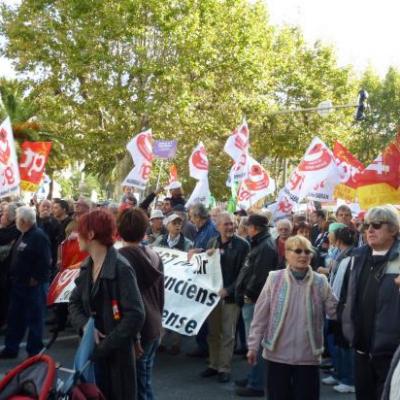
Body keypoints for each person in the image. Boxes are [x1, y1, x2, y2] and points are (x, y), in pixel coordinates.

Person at [247, 235, 338, 400]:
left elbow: (336, 312)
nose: (303, 255)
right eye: (297, 251)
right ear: (287, 254)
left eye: (307, 252)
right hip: (277, 354)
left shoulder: (320, 282)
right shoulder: (274, 278)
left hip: (308, 356)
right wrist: (253, 346)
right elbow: (260, 316)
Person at [69, 209, 145, 400]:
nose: (77, 236)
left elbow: (136, 315)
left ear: (92, 234)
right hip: (92, 357)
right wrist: (86, 325)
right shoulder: (88, 264)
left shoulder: (121, 268)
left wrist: (104, 346)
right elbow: (74, 302)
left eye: (81, 231)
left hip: (116, 359)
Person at [343, 205, 400, 400]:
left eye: (376, 225)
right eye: (367, 225)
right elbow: (350, 298)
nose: (370, 230)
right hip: (361, 348)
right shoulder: (357, 257)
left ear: (393, 229)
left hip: (391, 352)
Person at [118, 208, 164, 400]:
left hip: (138, 330)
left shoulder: (122, 259)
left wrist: (135, 337)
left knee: (138, 386)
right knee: (144, 381)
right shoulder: (154, 255)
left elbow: (130, 302)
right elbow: (160, 294)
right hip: (153, 324)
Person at [201, 212, 250, 383]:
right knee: (213, 333)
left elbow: (244, 273)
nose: (230, 227)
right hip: (213, 297)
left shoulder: (243, 245)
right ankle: (214, 364)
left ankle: (224, 368)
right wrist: (200, 255)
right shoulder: (212, 242)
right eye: (226, 224)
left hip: (230, 297)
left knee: (228, 334)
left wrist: (229, 290)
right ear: (217, 226)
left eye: (232, 223)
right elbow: (205, 268)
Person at [235, 214, 278, 397]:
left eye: (248, 225)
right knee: (255, 342)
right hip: (252, 299)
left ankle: (257, 383)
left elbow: (260, 276)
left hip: (254, 300)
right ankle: (254, 376)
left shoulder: (265, 246)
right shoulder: (260, 243)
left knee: (257, 343)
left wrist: (248, 295)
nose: (246, 228)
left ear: (255, 227)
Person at [0, 206, 52, 358]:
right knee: (15, 318)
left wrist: (35, 278)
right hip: (19, 285)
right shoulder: (24, 234)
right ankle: (11, 348)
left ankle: (34, 350)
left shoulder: (38, 236)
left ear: (23, 220)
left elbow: (45, 260)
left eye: (17, 219)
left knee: (35, 319)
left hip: (32, 287)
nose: (15, 221)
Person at [322, 226, 356, 394]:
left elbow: (342, 286)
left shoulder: (349, 258)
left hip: (342, 308)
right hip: (337, 306)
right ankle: (339, 373)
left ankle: (348, 379)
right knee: (336, 342)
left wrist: (336, 305)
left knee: (343, 344)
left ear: (338, 240)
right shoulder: (342, 255)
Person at [187, 203, 218, 358]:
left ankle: (207, 349)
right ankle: (202, 346)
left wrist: (198, 252)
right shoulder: (203, 229)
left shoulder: (211, 230)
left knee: (206, 316)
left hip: (207, 279)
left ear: (198, 216)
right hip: (201, 277)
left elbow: (212, 253)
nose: (191, 220)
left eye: (192, 217)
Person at [0, 203, 20, 331]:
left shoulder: (14, 230)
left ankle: (4, 323)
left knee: (5, 299)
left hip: (7, 272)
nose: (1, 215)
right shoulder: (6, 229)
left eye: (4, 212)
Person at [37, 199, 61, 278]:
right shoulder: (33, 219)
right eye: (43, 206)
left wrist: (46, 221)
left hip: (49, 255)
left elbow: (55, 239)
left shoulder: (55, 222)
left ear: (51, 210)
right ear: (39, 208)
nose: (45, 208)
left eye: (48, 207)